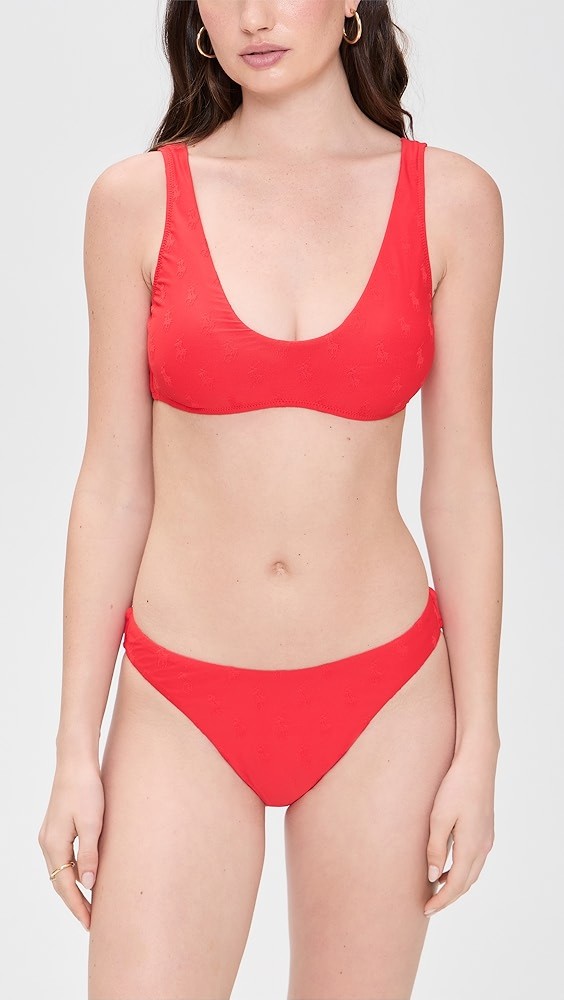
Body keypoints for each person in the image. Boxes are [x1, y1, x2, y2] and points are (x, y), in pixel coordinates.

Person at [38, 1, 504, 997]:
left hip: (385, 697)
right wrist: (75, 746)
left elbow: (462, 483)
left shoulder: (452, 200)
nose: (255, 15)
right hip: (180, 699)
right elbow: (112, 483)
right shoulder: (136, 201)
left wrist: (481, 744)